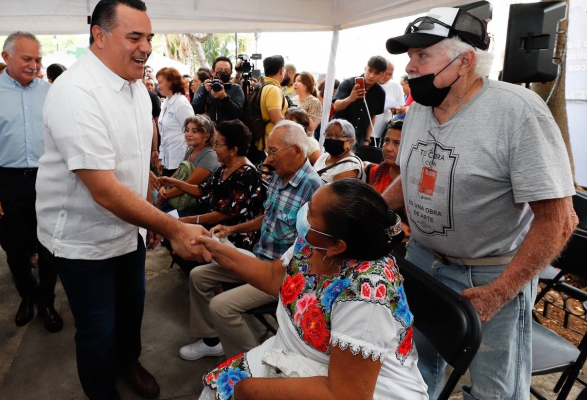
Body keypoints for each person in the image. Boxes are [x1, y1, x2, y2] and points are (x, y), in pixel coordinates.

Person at [383, 6, 577, 400]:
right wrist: (371, 208)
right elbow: (416, 171)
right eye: (410, 57)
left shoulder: (516, 112)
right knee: (412, 374)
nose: (411, 66)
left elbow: (559, 221)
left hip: (489, 277)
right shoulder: (421, 106)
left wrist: (501, 291)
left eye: (423, 55)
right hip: (422, 262)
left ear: (465, 60)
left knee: (496, 392)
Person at [35, 0, 211, 400]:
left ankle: (128, 361)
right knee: (97, 328)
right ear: (99, 36)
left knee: (132, 312)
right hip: (83, 241)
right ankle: (102, 391)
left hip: (127, 232)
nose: (146, 47)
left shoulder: (135, 89)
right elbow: (104, 188)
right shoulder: (76, 92)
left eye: (148, 37)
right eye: (134, 36)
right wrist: (170, 227)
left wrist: (147, 218)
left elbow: (133, 163)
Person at [195, 178, 427, 400]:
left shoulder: (365, 295)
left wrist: (247, 391)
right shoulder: (315, 242)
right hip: (294, 357)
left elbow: (347, 395)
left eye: (312, 212)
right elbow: (273, 276)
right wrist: (215, 249)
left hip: (351, 387)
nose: (304, 213)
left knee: (233, 388)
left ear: (338, 245)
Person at [180, 121, 323, 360]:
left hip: (282, 275)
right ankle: (211, 340)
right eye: (268, 151)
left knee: (221, 306)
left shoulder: (314, 190)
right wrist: (232, 228)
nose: (269, 158)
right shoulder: (281, 175)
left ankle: (250, 365)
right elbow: (268, 216)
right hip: (258, 258)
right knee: (198, 276)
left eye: (274, 151)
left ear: (297, 151)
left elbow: (314, 250)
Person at [0, 32, 62, 332]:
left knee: (50, 243)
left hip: (46, 178)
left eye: (38, 59)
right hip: (7, 180)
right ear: (6, 57)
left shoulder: (50, 92)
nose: (34, 65)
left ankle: (47, 301)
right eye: (26, 59)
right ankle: (28, 296)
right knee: (13, 247)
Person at [160, 120, 266, 274]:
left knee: (184, 240)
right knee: (173, 238)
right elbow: (201, 190)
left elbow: (224, 215)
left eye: (218, 145)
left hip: (231, 233)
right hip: (214, 226)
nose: (214, 149)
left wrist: (191, 220)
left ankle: (213, 283)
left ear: (233, 150)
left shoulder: (246, 174)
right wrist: (172, 181)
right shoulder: (225, 167)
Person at [157, 114, 220, 215]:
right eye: (187, 130)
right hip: (178, 198)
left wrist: (165, 195)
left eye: (194, 131)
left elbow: (189, 184)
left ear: (206, 136)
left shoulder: (209, 156)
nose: (188, 134)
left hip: (195, 206)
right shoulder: (190, 150)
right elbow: (177, 175)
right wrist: (163, 186)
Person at [366, 120, 410, 238]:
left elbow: (408, 230)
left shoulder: (414, 182)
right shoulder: (375, 171)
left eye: (397, 143)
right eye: (386, 141)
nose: (388, 148)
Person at [332, 56, 387, 146]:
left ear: (383, 75)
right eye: (370, 70)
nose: (371, 75)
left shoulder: (380, 93)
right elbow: (336, 106)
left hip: (359, 139)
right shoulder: (349, 83)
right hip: (338, 133)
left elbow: (372, 117)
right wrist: (351, 98)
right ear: (365, 69)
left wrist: (367, 140)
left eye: (377, 73)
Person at [156, 67, 195, 177]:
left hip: (180, 160)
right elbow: (164, 134)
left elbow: (192, 133)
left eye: (160, 82)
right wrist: (161, 157)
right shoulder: (165, 103)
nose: (158, 86)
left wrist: (187, 160)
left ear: (171, 82)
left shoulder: (181, 103)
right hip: (168, 159)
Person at [251, 55, 289, 161]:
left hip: (262, 142)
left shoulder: (262, 85)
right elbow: (275, 118)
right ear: (281, 70)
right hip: (270, 145)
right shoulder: (273, 90)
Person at [191, 56, 245, 124]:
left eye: (227, 71)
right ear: (213, 72)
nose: (223, 72)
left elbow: (238, 113)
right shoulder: (205, 87)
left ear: (231, 72)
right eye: (219, 70)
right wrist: (204, 92)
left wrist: (224, 98)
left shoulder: (236, 88)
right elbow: (194, 109)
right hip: (208, 130)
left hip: (229, 131)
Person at [313, 119, 364, 183]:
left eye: (338, 136)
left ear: (350, 142)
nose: (332, 138)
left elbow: (332, 192)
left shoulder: (351, 166)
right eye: (328, 135)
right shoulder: (324, 156)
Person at [371, 60, 404, 144]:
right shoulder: (370, 83)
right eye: (386, 73)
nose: (387, 76)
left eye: (390, 74)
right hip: (364, 131)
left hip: (383, 132)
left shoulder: (396, 87)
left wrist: (397, 109)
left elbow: (402, 107)